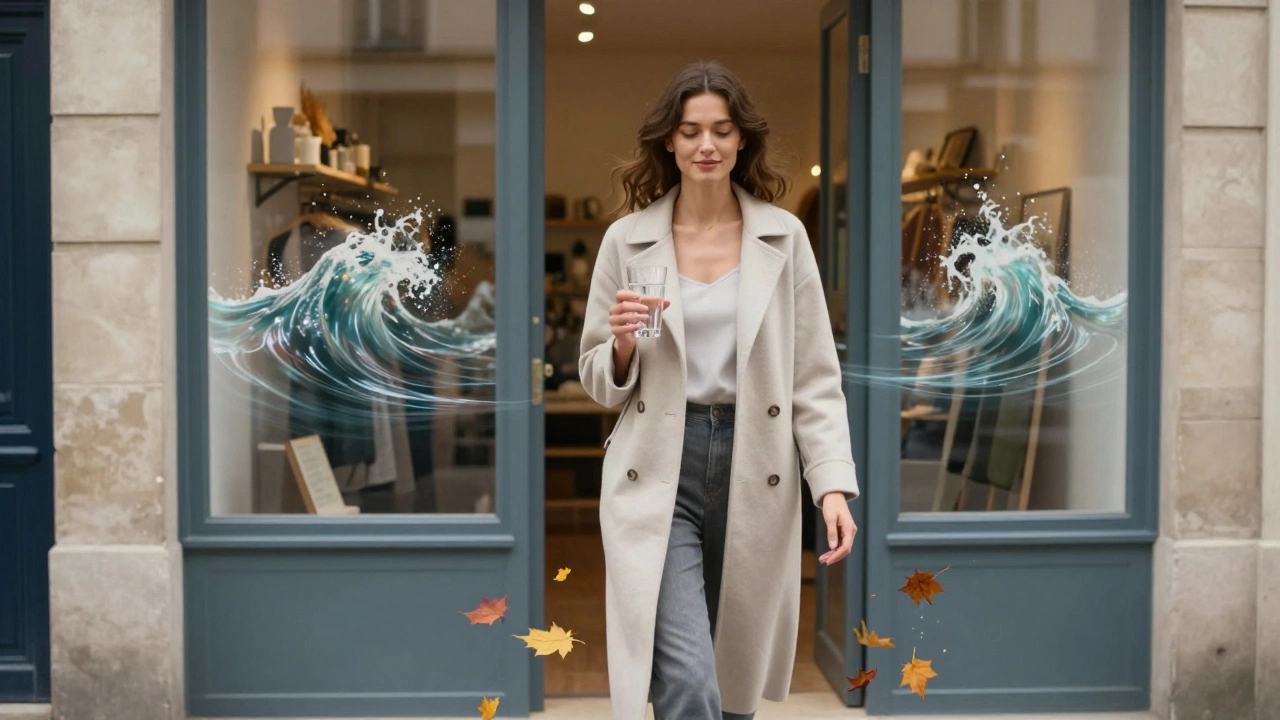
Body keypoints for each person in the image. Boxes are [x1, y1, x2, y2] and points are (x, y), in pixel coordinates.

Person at [578, 61, 861, 720]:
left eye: (722, 131)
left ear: (741, 143)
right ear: (669, 143)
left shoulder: (783, 238)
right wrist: (620, 345)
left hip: (755, 465)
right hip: (658, 472)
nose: (706, 145)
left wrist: (833, 486)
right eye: (690, 131)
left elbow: (815, 376)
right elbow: (598, 380)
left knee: (732, 693)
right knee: (689, 685)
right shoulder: (628, 241)